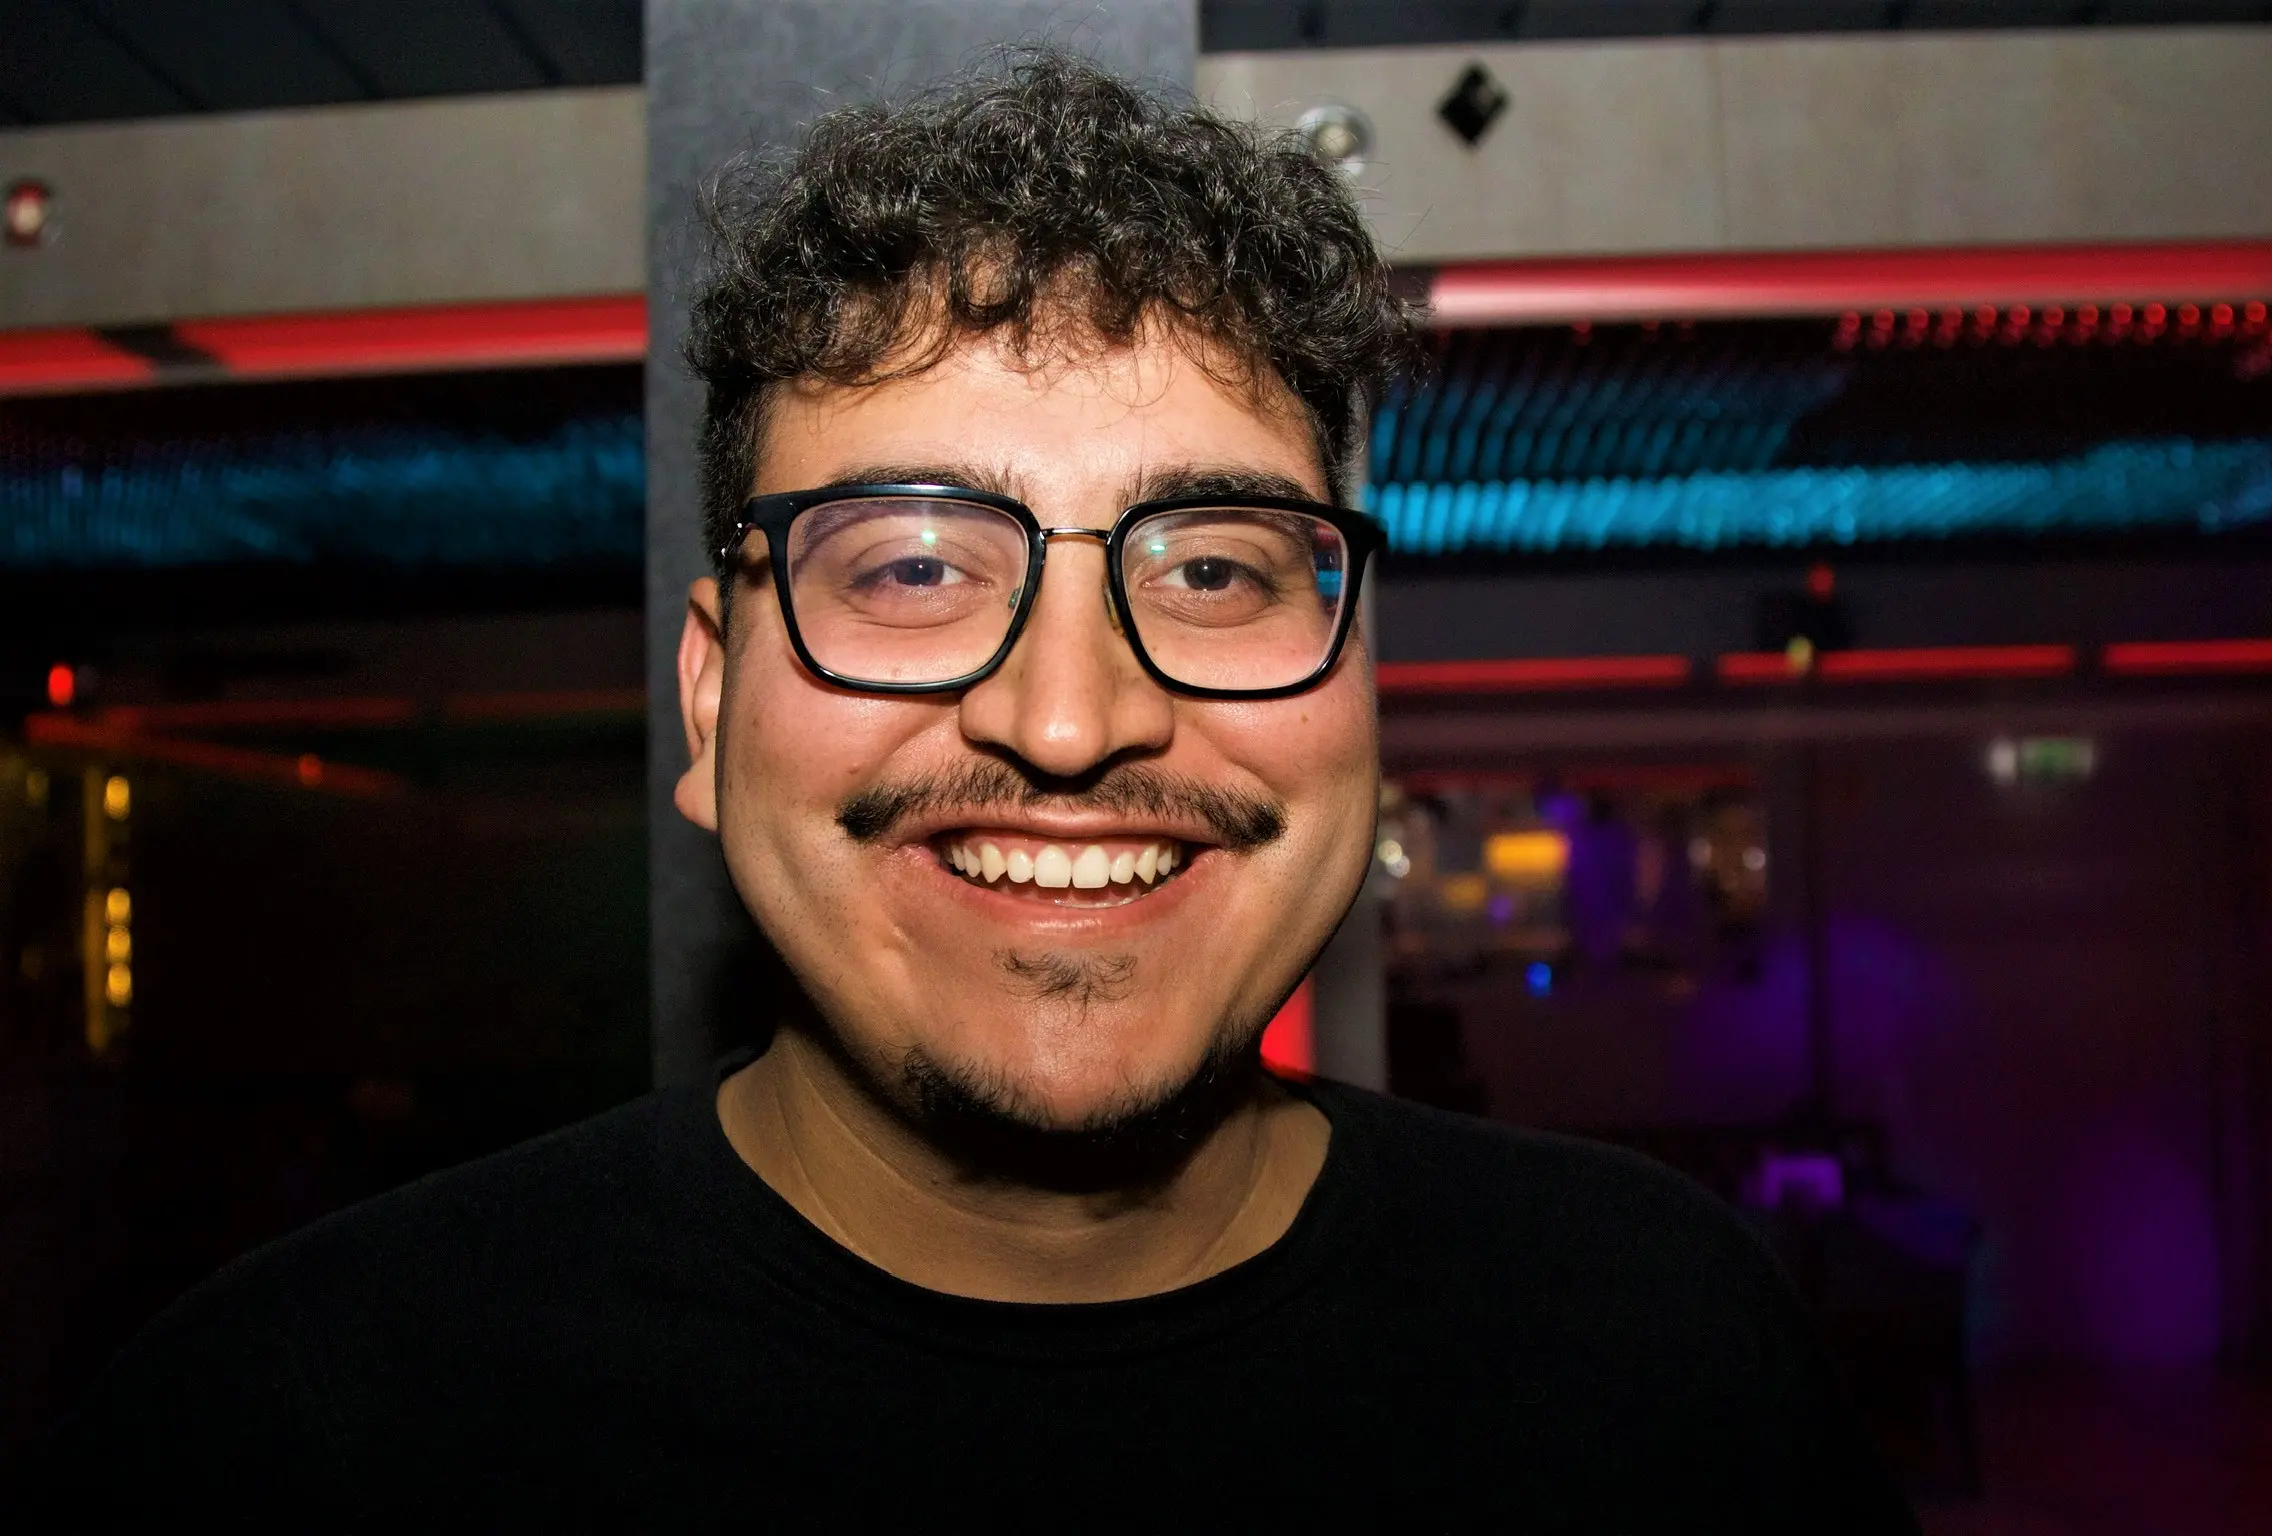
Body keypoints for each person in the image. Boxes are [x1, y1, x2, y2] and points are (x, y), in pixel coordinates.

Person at [24, 54, 1915, 1529]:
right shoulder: (290, 1442)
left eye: (1212, 567)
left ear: (1356, 679)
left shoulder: (1667, 1363)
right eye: (914, 567)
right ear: (711, 700)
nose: (1070, 721)